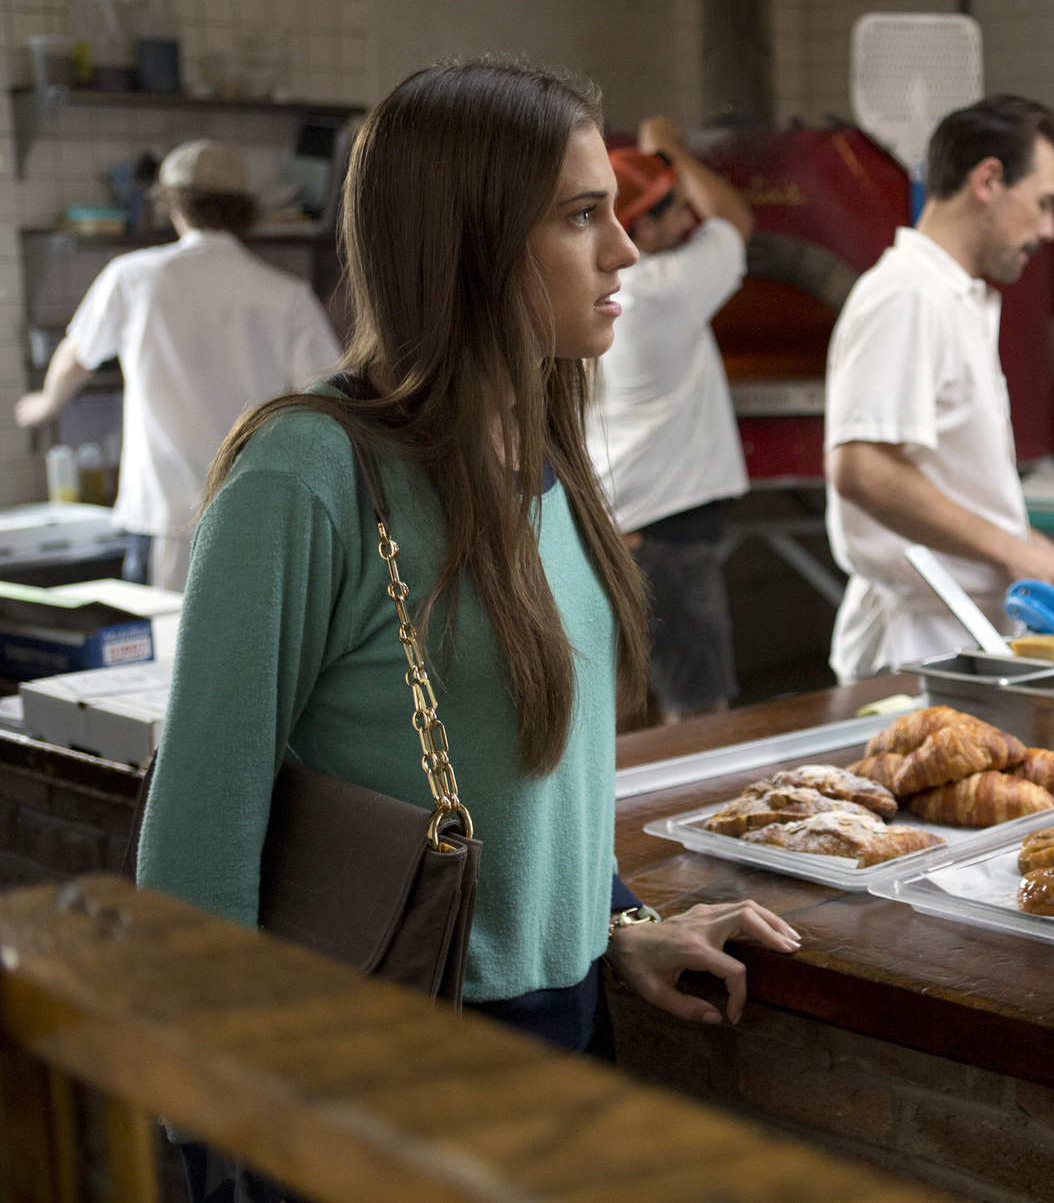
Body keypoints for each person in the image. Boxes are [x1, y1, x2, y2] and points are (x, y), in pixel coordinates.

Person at [134, 60, 799, 1200]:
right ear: (471, 242)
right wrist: (216, 1149)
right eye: (583, 218)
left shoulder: (544, 461)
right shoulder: (307, 473)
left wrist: (609, 925)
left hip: (560, 1048)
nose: (625, 253)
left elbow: (534, 779)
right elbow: (198, 839)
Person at [824, 94, 1054, 682]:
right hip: (919, 644)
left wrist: (1040, 550)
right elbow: (861, 467)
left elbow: (952, 482)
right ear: (988, 180)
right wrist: (1010, 552)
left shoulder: (952, 297)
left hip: (961, 633)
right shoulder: (909, 296)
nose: (1047, 230)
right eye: (1042, 204)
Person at [15, 140, 341, 590]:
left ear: (173, 205)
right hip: (257, 517)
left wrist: (46, 403)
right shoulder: (286, 295)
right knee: (250, 653)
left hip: (163, 515)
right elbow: (330, 397)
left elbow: (76, 355)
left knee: (165, 652)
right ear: (243, 209)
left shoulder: (134, 277)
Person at [587, 115, 754, 720]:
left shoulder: (586, 294)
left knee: (626, 723)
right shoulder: (660, 289)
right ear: (637, 228)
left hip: (610, 528)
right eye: (675, 211)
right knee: (699, 720)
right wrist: (674, 149)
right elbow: (735, 221)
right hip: (668, 541)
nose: (690, 223)